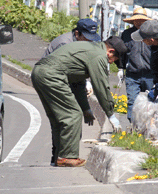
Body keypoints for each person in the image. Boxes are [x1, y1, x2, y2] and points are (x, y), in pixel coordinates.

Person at [31, 36, 128, 167]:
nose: (111, 63)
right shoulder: (99, 56)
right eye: (113, 60)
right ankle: (67, 157)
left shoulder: (90, 49)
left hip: (39, 72)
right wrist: (111, 114)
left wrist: (86, 108)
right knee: (72, 114)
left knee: (58, 118)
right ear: (110, 51)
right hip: (51, 75)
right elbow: (101, 87)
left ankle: (58, 156)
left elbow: (78, 83)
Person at [41, 18, 101, 165]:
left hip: (67, 80)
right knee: (68, 117)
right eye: (87, 38)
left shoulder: (79, 45)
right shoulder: (65, 44)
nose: (89, 43)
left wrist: (86, 108)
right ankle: (63, 157)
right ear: (77, 33)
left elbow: (77, 79)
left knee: (67, 119)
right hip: (54, 81)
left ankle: (60, 157)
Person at [120, 7, 154, 123]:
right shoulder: (126, 34)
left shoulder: (152, 34)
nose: (139, 22)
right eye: (136, 20)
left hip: (151, 74)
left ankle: (151, 125)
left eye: (141, 20)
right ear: (132, 21)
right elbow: (122, 53)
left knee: (152, 101)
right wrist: (121, 68)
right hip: (132, 74)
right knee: (132, 102)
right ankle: (133, 127)